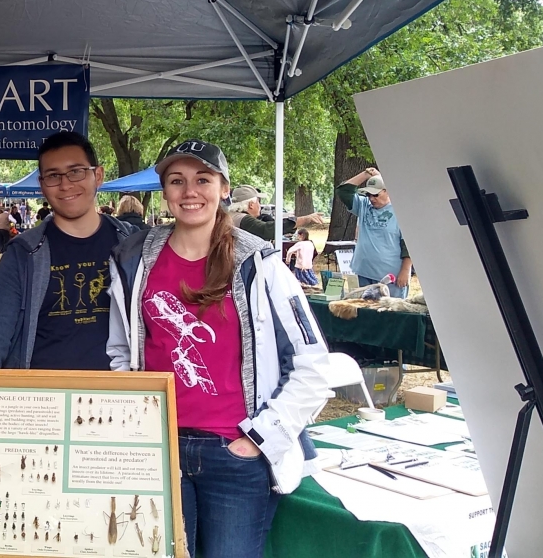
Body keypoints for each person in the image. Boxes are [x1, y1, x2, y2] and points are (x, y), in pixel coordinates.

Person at [106, 140, 331, 558]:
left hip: (235, 453)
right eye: (177, 181)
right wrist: (140, 430)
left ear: (224, 188)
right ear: (165, 191)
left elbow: (313, 364)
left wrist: (261, 439)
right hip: (162, 449)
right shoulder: (134, 260)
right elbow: (122, 353)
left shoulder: (259, 263)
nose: (190, 191)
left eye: (202, 179)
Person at [0, 132, 139, 369]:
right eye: (53, 176)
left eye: (76, 171)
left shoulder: (134, 247)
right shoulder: (23, 254)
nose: (66, 184)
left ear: (98, 175)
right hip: (41, 399)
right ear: (42, 185)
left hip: (120, 397)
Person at [336, 167, 411, 298]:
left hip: (390, 276)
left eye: (376, 194)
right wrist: (366, 174)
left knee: (390, 314)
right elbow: (343, 191)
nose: (371, 198)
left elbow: (409, 245)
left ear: (388, 191)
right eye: (368, 194)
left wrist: (405, 271)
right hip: (363, 272)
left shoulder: (401, 211)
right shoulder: (363, 205)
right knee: (365, 313)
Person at [227, 185, 322, 242]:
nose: (260, 205)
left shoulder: (232, 216)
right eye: (258, 202)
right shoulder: (242, 219)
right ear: (251, 205)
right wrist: (305, 219)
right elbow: (266, 230)